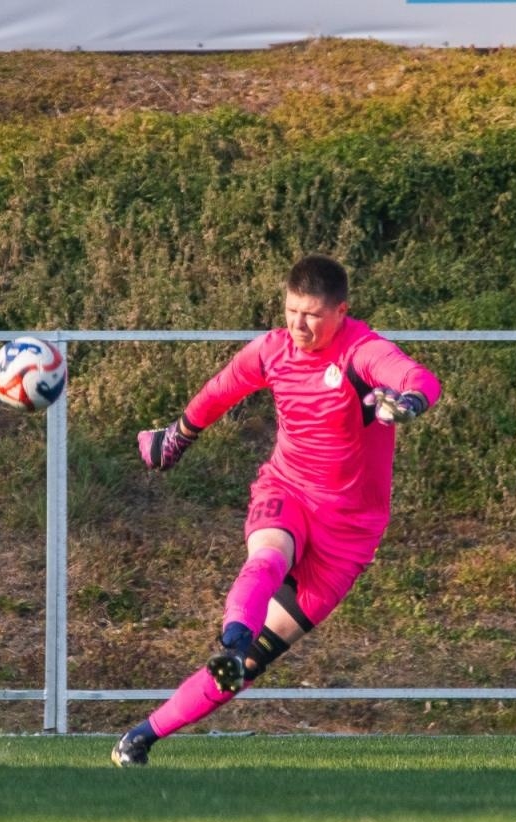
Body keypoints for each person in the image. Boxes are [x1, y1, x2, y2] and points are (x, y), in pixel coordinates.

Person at [112, 254, 442, 766]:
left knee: (252, 664)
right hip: (286, 490)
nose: (299, 324)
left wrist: (411, 400)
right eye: (291, 311)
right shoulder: (272, 350)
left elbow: (414, 374)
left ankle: (141, 736)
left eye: (311, 314)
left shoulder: (361, 350)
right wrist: (177, 436)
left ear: (340, 312)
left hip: (349, 534)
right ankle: (231, 637)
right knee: (266, 559)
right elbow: (222, 389)